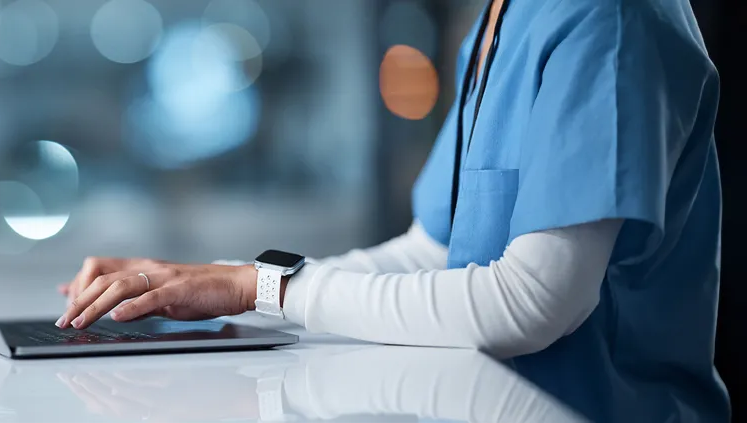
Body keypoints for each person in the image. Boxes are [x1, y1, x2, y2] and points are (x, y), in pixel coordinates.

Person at [56, 0, 727, 421]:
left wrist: (261, 287)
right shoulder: (502, 21)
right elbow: (432, 249)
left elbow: (531, 303)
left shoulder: (608, 21)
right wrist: (222, 283)